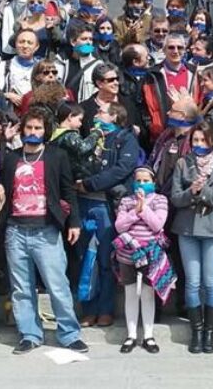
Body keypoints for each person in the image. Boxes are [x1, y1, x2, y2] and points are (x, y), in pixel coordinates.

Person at [0, 108, 88, 355]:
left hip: (46, 231)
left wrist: (74, 222)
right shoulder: (12, 158)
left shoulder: (57, 156)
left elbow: (68, 191)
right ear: (22, 129)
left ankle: (69, 334)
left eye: (37, 128)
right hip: (16, 230)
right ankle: (29, 333)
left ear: (45, 130)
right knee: (22, 287)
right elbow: (2, 185)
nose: (33, 132)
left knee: (57, 285)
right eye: (29, 127)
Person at [75, 103, 139, 327]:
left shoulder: (125, 138)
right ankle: (88, 309)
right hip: (83, 204)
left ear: (114, 116)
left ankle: (105, 309)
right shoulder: (90, 137)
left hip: (106, 205)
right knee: (86, 259)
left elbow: (122, 168)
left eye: (101, 112)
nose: (96, 115)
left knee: (105, 259)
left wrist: (90, 184)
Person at [169, 121, 213, 354]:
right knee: (193, 282)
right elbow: (175, 197)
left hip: (212, 229)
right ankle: (196, 330)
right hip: (187, 228)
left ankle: (209, 333)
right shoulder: (183, 163)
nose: (199, 144)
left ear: (212, 141)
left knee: (210, 281)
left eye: (203, 140)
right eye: (195, 140)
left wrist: (202, 190)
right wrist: (191, 191)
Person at [113, 167, 173, 354]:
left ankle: (148, 335)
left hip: (151, 254)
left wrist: (143, 208)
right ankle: (131, 335)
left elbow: (157, 224)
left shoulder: (160, 199)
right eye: (138, 180)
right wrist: (134, 211)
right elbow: (119, 226)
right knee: (130, 293)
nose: (141, 184)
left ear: (153, 182)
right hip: (128, 253)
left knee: (148, 294)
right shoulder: (125, 201)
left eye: (146, 181)